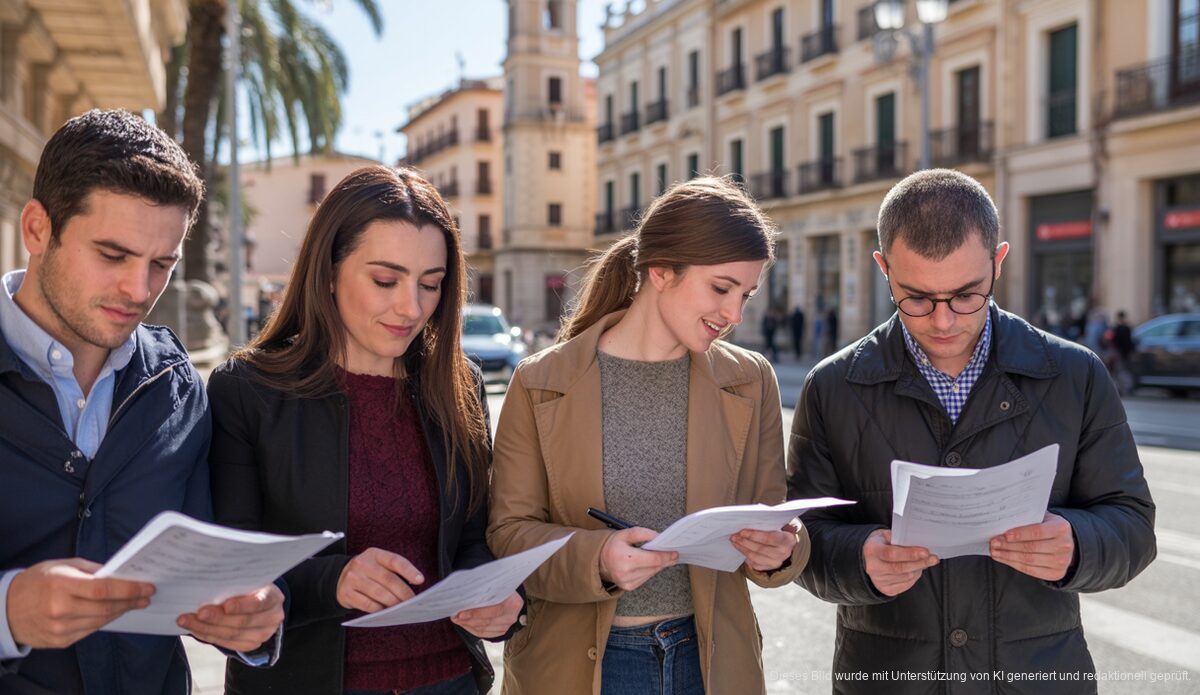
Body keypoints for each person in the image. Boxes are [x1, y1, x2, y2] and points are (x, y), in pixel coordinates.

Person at [787, 169, 1156, 693]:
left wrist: (1076, 545)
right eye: (915, 298)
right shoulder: (832, 386)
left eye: (967, 295)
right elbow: (801, 539)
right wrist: (858, 559)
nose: (943, 322)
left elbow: (1134, 527)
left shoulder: (1076, 375)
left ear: (998, 262)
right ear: (883, 269)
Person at [207, 166, 523, 695]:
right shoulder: (246, 390)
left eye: (431, 284)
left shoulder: (458, 383)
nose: (412, 307)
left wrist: (502, 599)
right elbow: (229, 569)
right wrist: (335, 581)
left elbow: (473, 536)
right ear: (328, 271)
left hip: (448, 680)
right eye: (385, 280)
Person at [487, 177, 810, 695]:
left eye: (746, 295)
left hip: (710, 665)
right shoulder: (539, 381)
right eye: (722, 289)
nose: (735, 315)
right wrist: (599, 558)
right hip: (574, 667)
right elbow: (508, 535)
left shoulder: (752, 381)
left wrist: (780, 551)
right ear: (660, 271)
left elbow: (775, 518)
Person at [0, 109, 285, 694]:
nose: (139, 291)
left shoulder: (178, 384)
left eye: (162, 264)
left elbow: (204, 568)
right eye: (113, 255)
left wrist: (246, 620)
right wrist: (8, 614)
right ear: (37, 229)